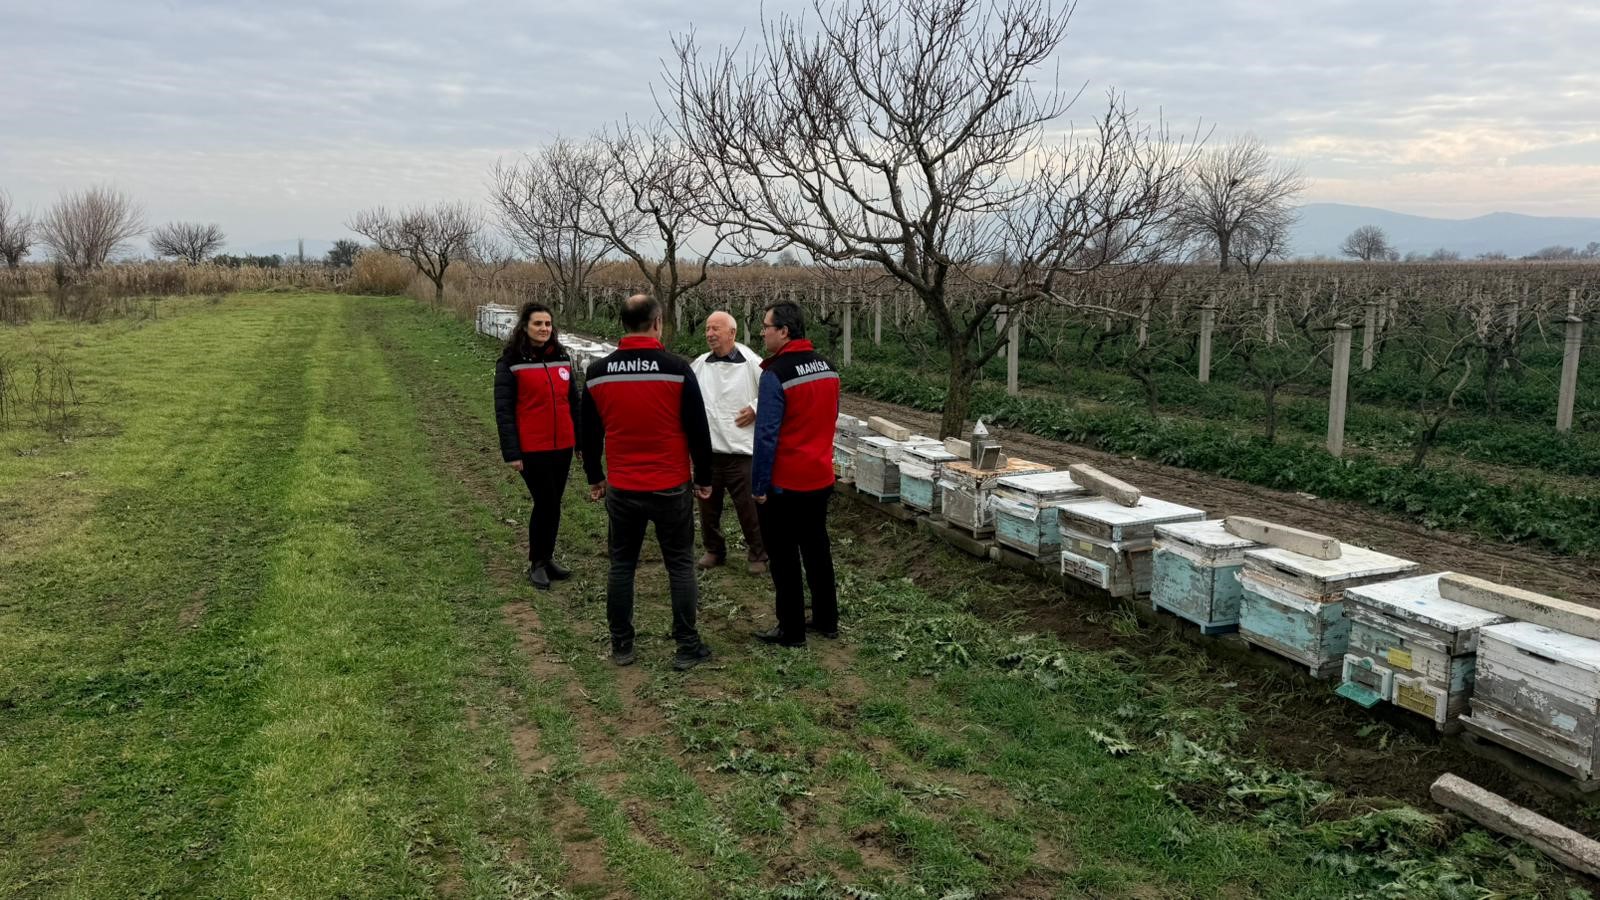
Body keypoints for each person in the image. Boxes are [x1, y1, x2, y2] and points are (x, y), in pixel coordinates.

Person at [581, 294, 716, 671]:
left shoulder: (597, 372)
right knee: (679, 565)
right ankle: (687, 645)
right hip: (670, 486)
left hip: (623, 487)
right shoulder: (677, 368)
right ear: (657, 322)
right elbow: (698, 430)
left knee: (622, 566)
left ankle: (622, 644)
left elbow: (589, 433)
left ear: (623, 324)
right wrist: (703, 478)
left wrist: (595, 476)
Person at [750, 300, 841, 648]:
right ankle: (826, 618)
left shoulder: (776, 374)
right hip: (820, 476)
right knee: (817, 548)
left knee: (784, 556)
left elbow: (767, 435)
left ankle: (791, 629)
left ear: (784, 331)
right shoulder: (828, 368)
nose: (762, 332)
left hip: (785, 483)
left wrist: (759, 485)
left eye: (766, 326)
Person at [494, 301, 579, 591]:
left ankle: (548, 557)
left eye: (547, 324)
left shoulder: (562, 357)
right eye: (537, 324)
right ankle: (537, 563)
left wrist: (579, 439)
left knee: (553, 503)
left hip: (562, 444)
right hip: (533, 447)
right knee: (545, 502)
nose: (544, 329)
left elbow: (574, 402)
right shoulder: (510, 363)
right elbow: (503, 411)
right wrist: (512, 452)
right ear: (525, 327)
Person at [690, 311, 770, 576]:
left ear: (732, 333)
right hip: (710, 452)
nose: (710, 334)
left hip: (742, 453)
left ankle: (758, 553)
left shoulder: (751, 363)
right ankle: (714, 549)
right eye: (707, 329)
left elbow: (772, 392)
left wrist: (756, 408)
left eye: (716, 329)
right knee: (708, 507)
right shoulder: (700, 364)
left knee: (749, 508)